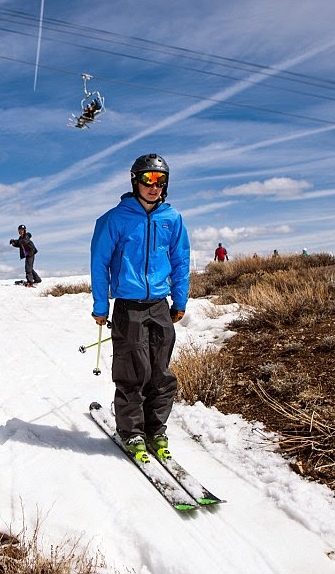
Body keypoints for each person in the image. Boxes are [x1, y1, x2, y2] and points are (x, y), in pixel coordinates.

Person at [90, 153, 190, 464]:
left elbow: (181, 260)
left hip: (159, 305)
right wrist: (100, 305)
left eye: (160, 180)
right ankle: (131, 431)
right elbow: (99, 263)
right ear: (135, 181)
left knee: (160, 373)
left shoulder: (172, 218)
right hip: (128, 307)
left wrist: (180, 300)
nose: (154, 186)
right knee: (133, 372)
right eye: (148, 179)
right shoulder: (114, 219)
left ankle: (155, 429)